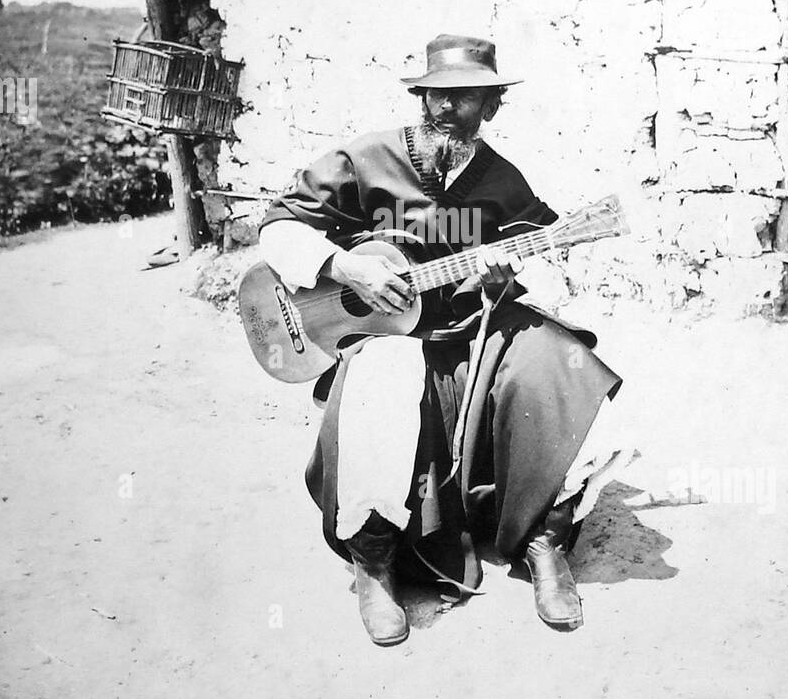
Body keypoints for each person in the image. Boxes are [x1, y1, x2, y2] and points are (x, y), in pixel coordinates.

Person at [258, 34, 627, 646]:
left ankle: (544, 539)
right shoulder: (366, 158)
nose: (447, 110)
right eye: (437, 96)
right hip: (385, 335)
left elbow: (541, 244)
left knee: (568, 363)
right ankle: (374, 558)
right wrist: (346, 268)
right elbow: (277, 224)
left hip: (466, 327)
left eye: (466, 98)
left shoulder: (502, 181)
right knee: (382, 382)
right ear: (421, 97)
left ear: (491, 106)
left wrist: (502, 274)